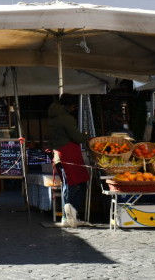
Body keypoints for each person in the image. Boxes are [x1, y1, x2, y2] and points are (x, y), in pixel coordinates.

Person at [47, 96, 89, 227]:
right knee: (75, 184)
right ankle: (69, 216)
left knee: (69, 184)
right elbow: (76, 137)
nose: (74, 109)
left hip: (59, 154)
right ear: (68, 105)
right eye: (73, 106)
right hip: (69, 153)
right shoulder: (66, 118)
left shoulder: (53, 118)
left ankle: (69, 216)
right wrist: (86, 135)